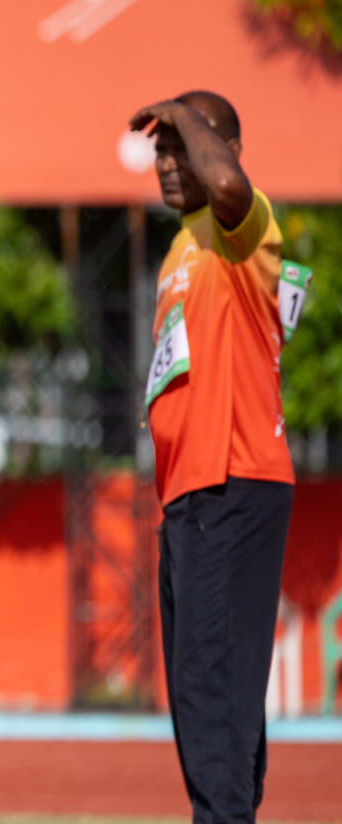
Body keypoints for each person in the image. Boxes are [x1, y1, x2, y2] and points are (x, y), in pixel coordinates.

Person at [132, 91, 295, 824]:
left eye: (182, 146)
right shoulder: (179, 247)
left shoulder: (244, 224)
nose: (167, 162)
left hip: (233, 481)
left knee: (211, 681)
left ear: (223, 144)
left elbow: (226, 182)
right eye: (160, 149)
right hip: (189, 496)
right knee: (207, 685)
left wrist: (181, 110)